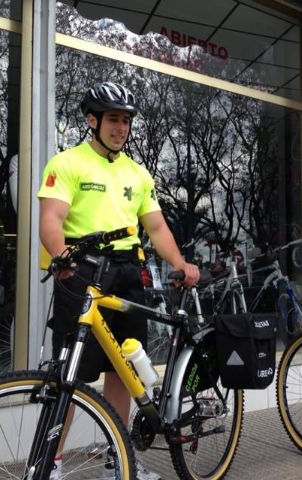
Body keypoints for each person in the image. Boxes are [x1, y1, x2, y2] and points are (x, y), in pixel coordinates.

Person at [38, 81, 200, 480]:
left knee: (123, 368)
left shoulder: (137, 172)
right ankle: (51, 461)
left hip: (129, 272)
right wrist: (61, 257)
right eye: (113, 119)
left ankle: (118, 453)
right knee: (70, 370)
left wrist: (180, 262)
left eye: (126, 121)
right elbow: (51, 221)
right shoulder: (67, 163)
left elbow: (157, 227)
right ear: (92, 120)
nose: (120, 127)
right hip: (83, 270)